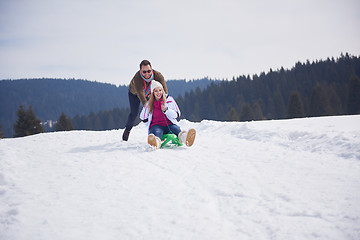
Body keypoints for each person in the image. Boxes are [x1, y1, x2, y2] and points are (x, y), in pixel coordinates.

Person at [140, 80, 196, 148]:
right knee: (157, 133)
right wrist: (149, 125)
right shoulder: (149, 103)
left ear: (163, 91)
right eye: (156, 91)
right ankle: (155, 143)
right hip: (156, 125)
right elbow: (143, 117)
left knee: (177, 130)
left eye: (160, 90)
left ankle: (186, 139)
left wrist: (166, 110)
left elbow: (177, 114)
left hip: (170, 124)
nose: (158, 93)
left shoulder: (169, 99)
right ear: (153, 93)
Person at [122, 60, 168, 141]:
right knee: (134, 113)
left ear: (152, 69)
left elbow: (165, 91)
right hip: (135, 94)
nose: (147, 74)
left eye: (149, 71)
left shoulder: (158, 76)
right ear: (140, 71)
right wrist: (147, 106)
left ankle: (162, 130)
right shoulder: (137, 78)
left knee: (159, 108)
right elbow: (141, 95)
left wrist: (165, 104)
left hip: (151, 92)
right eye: (144, 72)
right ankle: (127, 131)